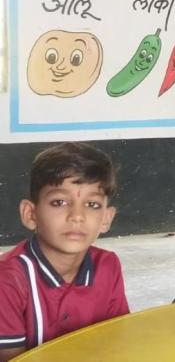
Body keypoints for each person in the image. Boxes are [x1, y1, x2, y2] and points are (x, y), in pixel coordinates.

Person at [0, 143, 128, 361]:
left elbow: (116, 343)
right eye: (59, 202)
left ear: (107, 218)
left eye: (92, 204)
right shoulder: (8, 280)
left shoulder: (108, 265)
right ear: (30, 214)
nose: (77, 216)